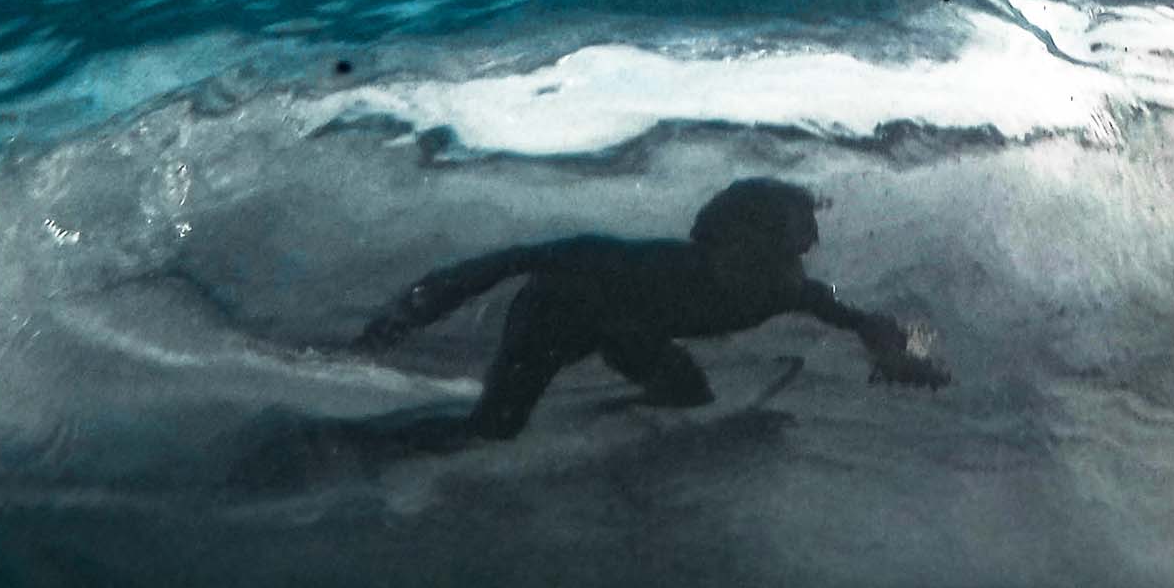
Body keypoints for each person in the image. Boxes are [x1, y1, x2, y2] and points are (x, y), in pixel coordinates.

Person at [356, 178, 949, 439]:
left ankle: (608, 425)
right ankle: (374, 443)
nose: (801, 260)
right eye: (786, 246)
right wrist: (402, 320)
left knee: (688, 390)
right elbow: (512, 261)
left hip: (629, 333)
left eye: (800, 248)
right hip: (558, 314)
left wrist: (910, 359)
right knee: (493, 431)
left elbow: (864, 322)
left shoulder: (777, 287)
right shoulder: (660, 265)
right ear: (725, 244)